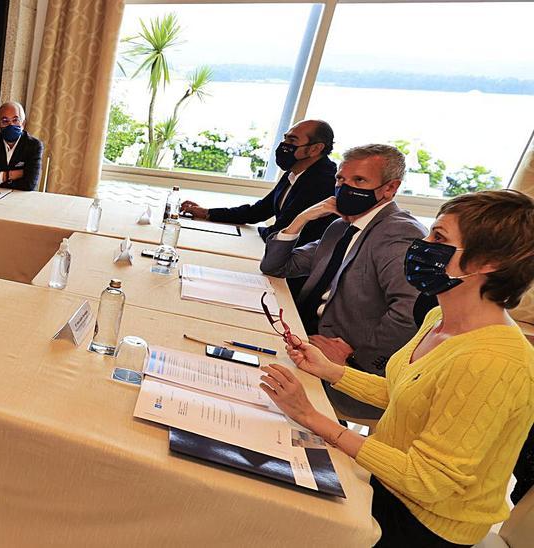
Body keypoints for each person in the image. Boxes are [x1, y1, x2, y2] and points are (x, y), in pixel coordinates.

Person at [259, 189, 534, 547]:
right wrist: (329, 370)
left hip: (423, 522)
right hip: (386, 482)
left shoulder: (494, 362)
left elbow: (428, 480)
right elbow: (405, 392)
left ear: (488, 264)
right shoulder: (440, 317)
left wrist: (314, 419)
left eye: (439, 237)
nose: (423, 243)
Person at [260, 144, 426, 420]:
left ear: (390, 188)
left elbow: (410, 313)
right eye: (341, 179)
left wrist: (353, 359)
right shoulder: (341, 226)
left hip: (347, 372)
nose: (345, 188)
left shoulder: (400, 234)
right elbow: (276, 266)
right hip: (300, 338)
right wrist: (301, 219)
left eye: (359, 181)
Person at [180, 120, 338, 244]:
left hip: (293, 268)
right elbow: (259, 211)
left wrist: (255, 235)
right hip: (276, 251)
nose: (284, 145)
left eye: (292, 140)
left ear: (316, 149)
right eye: (285, 139)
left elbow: (283, 230)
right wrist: (208, 213)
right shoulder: (295, 171)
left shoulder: (323, 181)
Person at [0, 101, 44, 191]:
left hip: (20, 200)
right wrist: (9, 175)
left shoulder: (33, 145)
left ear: (23, 124)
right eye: (5, 121)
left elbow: (29, 184)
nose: (11, 125)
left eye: (15, 120)